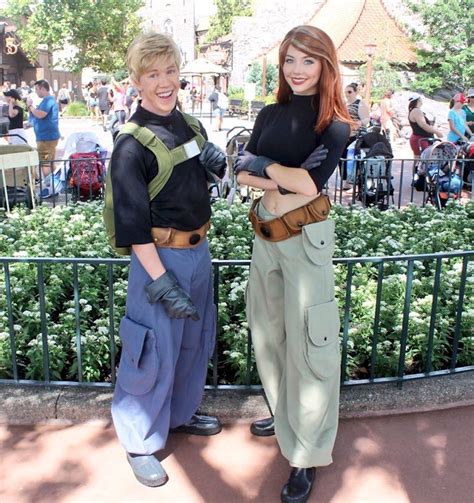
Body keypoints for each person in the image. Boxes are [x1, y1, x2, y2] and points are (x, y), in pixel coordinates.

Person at [235, 25, 350, 503]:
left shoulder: (335, 123)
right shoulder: (269, 112)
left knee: (310, 341)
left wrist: (264, 167)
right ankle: (286, 418)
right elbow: (239, 172)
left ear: (325, 65)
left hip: (306, 239)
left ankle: (306, 453)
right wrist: (271, 172)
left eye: (308, 60)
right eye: (290, 60)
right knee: (267, 331)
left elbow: (310, 185)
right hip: (266, 236)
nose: (297, 70)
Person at [108, 31, 227, 488]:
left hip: (199, 253)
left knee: (193, 342)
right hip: (158, 261)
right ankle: (139, 440)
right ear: (136, 80)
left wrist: (217, 161)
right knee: (152, 350)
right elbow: (132, 224)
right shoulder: (131, 144)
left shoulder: (189, 126)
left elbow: (197, 181)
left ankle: (179, 415)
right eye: (153, 74)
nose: (164, 82)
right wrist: (160, 281)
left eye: (170, 71)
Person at [25, 79, 60, 185]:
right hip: (48, 135)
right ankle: (54, 184)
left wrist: (30, 106)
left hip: (46, 137)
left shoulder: (48, 100)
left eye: (37, 89)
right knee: (50, 161)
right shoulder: (47, 100)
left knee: (45, 163)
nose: (36, 92)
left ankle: (49, 186)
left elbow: (41, 114)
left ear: (42, 88)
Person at [340, 82, 370, 189]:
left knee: (353, 157)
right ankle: (345, 180)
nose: (347, 94)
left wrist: (359, 123)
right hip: (344, 134)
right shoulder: (343, 104)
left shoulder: (360, 103)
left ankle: (354, 179)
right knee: (342, 157)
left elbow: (367, 118)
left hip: (356, 135)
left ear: (355, 92)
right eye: (345, 92)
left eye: (349, 92)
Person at [408, 93, 443, 158]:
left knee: (418, 160)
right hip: (420, 139)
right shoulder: (416, 111)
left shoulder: (414, 110)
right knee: (423, 160)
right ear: (418, 100)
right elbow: (423, 125)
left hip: (419, 138)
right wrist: (437, 132)